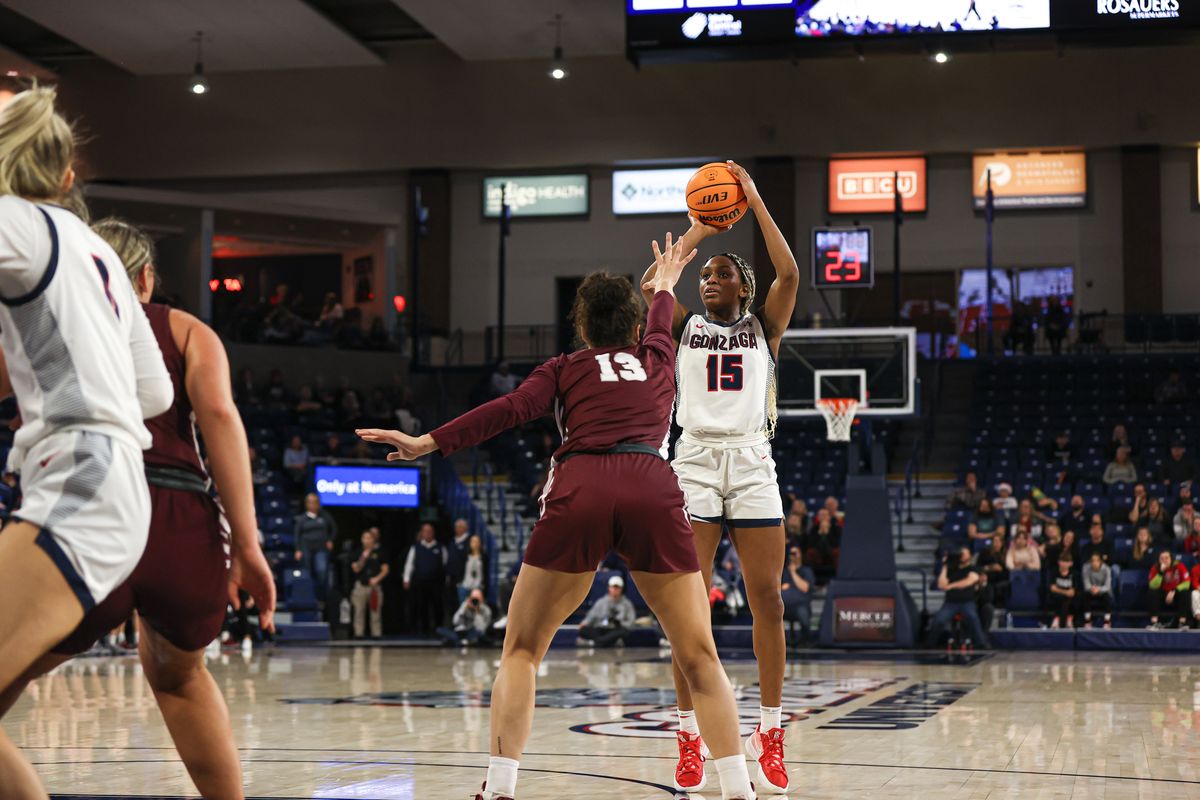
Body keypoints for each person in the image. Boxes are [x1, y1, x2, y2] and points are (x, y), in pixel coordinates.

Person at [358, 238, 757, 800]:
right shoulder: (658, 355)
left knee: (521, 650)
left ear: (583, 327)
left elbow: (508, 410)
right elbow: (663, 307)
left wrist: (429, 441)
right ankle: (740, 789)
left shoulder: (564, 367)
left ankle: (499, 787)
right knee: (698, 655)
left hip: (584, 485)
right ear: (636, 325)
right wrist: (667, 279)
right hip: (652, 486)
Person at [0, 87, 180, 797]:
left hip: (80, 477)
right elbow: (157, 393)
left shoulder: (18, 223)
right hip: (110, 478)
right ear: (67, 176)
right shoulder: (98, 252)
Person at [638, 162, 798, 795]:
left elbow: (789, 273)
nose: (708, 281)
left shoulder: (767, 325)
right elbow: (654, 284)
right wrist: (700, 233)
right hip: (694, 462)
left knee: (769, 600)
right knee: (688, 611)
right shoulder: (681, 327)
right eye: (705, 275)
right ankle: (687, 735)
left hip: (753, 460)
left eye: (721, 274)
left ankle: (771, 731)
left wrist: (753, 200)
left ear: (743, 287)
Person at [924, 547, 991, 649]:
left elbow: (969, 581)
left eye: (965, 553)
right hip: (950, 602)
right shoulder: (951, 569)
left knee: (972, 617)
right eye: (961, 553)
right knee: (939, 620)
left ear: (970, 556)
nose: (962, 555)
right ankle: (930, 644)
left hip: (967, 602)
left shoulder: (974, 568)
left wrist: (950, 586)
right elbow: (941, 584)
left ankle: (981, 643)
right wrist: (945, 565)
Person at [402, 522, 447, 636]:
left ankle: (439, 630)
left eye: (429, 531)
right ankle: (423, 630)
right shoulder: (416, 547)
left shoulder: (440, 547)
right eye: (425, 531)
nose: (427, 533)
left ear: (433, 533)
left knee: (437, 606)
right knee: (422, 606)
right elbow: (409, 564)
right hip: (420, 582)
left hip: (436, 583)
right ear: (422, 533)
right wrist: (406, 579)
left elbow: (445, 564)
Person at [293, 493, 337, 600]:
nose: (312, 504)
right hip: (306, 547)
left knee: (321, 571)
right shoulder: (302, 519)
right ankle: (308, 596)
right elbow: (296, 534)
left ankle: (321, 597)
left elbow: (334, 528)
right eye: (310, 502)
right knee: (306, 571)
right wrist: (298, 549)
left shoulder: (324, 516)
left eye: (314, 502)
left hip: (321, 547)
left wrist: (330, 540)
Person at [578, 575, 637, 648]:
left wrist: (620, 623)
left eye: (617, 588)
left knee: (623, 632)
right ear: (609, 588)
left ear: (621, 589)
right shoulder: (601, 602)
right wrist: (585, 622)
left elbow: (631, 622)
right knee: (583, 630)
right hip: (601, 628)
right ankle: (609, 642)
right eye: (613, 587)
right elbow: (591, 615)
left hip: (616, 629)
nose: (615, 590)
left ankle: (596, 642)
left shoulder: (627, 604)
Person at [350, 527, 388, 639]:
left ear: (373, 539)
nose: (367, 540)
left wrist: (377, 579)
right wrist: (363, 557)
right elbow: (356, 569)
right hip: (361, 586)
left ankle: (376, 635)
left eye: (369, 538)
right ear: (362, 539)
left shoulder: (380, 552)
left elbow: (385, 569)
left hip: (375, 586)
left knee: (375, 613)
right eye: (365, 538)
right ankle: (359, 634)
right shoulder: (357, 552)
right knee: (359, 611)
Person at [1147, 550, 1191, 629]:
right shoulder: (1155, 568)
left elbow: (1187, 583)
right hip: (1163, 593)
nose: (1164, 560)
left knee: (1185, 593)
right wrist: (1160, 572)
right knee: (1152, 592)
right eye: (1162, 558)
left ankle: (1182, 623)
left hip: (1176, 593)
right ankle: (1154, 623)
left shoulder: (1179, 566)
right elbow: (1152, 586)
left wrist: (1174, 590)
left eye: (1166, 558)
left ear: (1171, 559)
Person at [780, 546, 814, 646]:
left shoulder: (806, 571)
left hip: (800, 605)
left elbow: (805, 588)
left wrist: (793, 573)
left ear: (800, 555)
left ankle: (805, 642)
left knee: (803, 615)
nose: (793, 556)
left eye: (795, 553)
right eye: (791, 553)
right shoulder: (784, 571)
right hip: (785, 605)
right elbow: (782, 587)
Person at [1079, 552, 1113, 629]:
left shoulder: (1107, 569)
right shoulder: (1086, 568)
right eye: (1092, 560)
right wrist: (1092, 589)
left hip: (1102, 592)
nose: (1094, 562)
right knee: (1084, 596)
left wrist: (1098, 589)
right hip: (1091, 591)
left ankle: (1107, 621)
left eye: (1097, 560)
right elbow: (1086, 584)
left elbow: (1107, 586)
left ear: (1100, 561)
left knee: (1108, 597)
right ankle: (1087, 621)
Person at [1046, 555, 1078, 629]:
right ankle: (1067, 621)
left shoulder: (1074, 574)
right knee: (1062, 599)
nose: (1064, 564)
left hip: (1069, 599)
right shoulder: (1054, 572)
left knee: (1069, 600)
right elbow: (1052, 588)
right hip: (1056, 597)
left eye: (1066, 562)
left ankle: (1057, 619)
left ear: (1071, 563)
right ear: (1059, 562)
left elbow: (1073, 592)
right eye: (1062, 561)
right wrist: (1065, 592)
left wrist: (1061, 591)